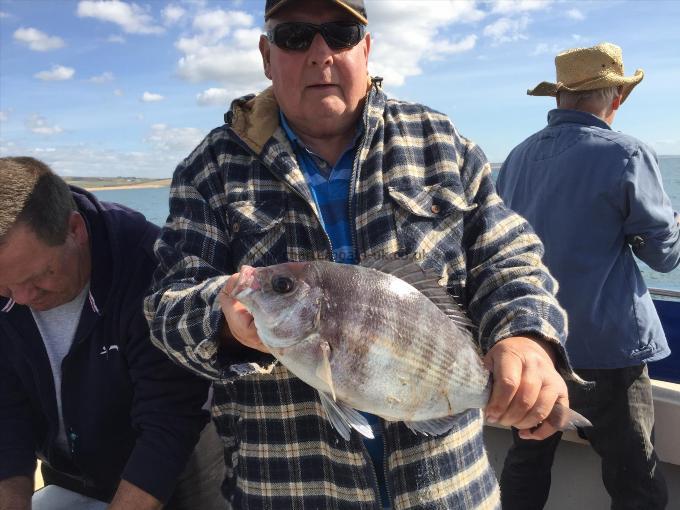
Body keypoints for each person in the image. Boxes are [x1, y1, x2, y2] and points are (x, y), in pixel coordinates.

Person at [144, 1, 580, 508]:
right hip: (288, 493)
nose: (320, 53)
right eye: (294, 37)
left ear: (366, 48)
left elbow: (507, 257)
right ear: (266, 55)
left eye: (341, 32)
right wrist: (221, 316)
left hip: (451, 491)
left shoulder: (438, 141)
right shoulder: (210, 170)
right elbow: (165, 308)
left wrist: (525, 337)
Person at [496, 42, 680, 510]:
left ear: (559, 98)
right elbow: (664, 257)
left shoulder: (515, 159)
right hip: (610, 349)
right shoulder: (627, 154)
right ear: (615, 98)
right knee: (634, 475)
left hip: (536, 345)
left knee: (528, 461)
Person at [0, 157, 227, 510]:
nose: (24, 299)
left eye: (38, 277)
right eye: (6, 289)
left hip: (173, 478)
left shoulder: (151, 265)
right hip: (70, 472)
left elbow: (168, 419)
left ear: (75, 230)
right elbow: (6, 411)